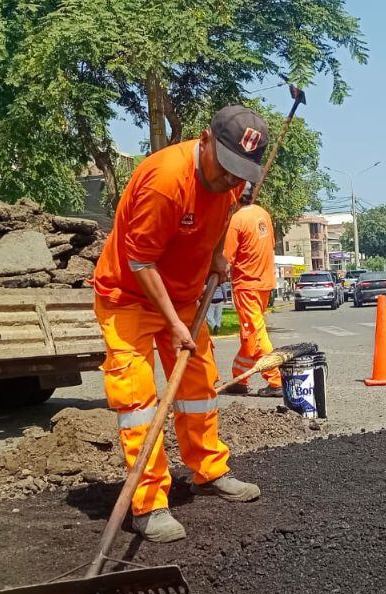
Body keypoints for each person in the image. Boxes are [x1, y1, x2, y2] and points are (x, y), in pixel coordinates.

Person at [91, 105, 269, 543]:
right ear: (204, 140)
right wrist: (173, 322)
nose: (231, 180)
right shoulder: (166, 183)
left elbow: (213, 227)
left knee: (198, 388)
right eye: (226, 167)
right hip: (129, 296)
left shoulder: (233, 184)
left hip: (185, 297)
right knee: (138, 402)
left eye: (240, 172)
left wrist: (216, 257)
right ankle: (148, 504)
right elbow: (140, 260)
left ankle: (208, 471)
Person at [222, 187, 281, 397]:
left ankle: (276, 381)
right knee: (249, 336)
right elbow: (271, 244)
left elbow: (225, 260)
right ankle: (240, 378)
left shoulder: (236, 221)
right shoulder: (263, 214)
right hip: (264, 283)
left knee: (255, 336)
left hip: (246, 285)